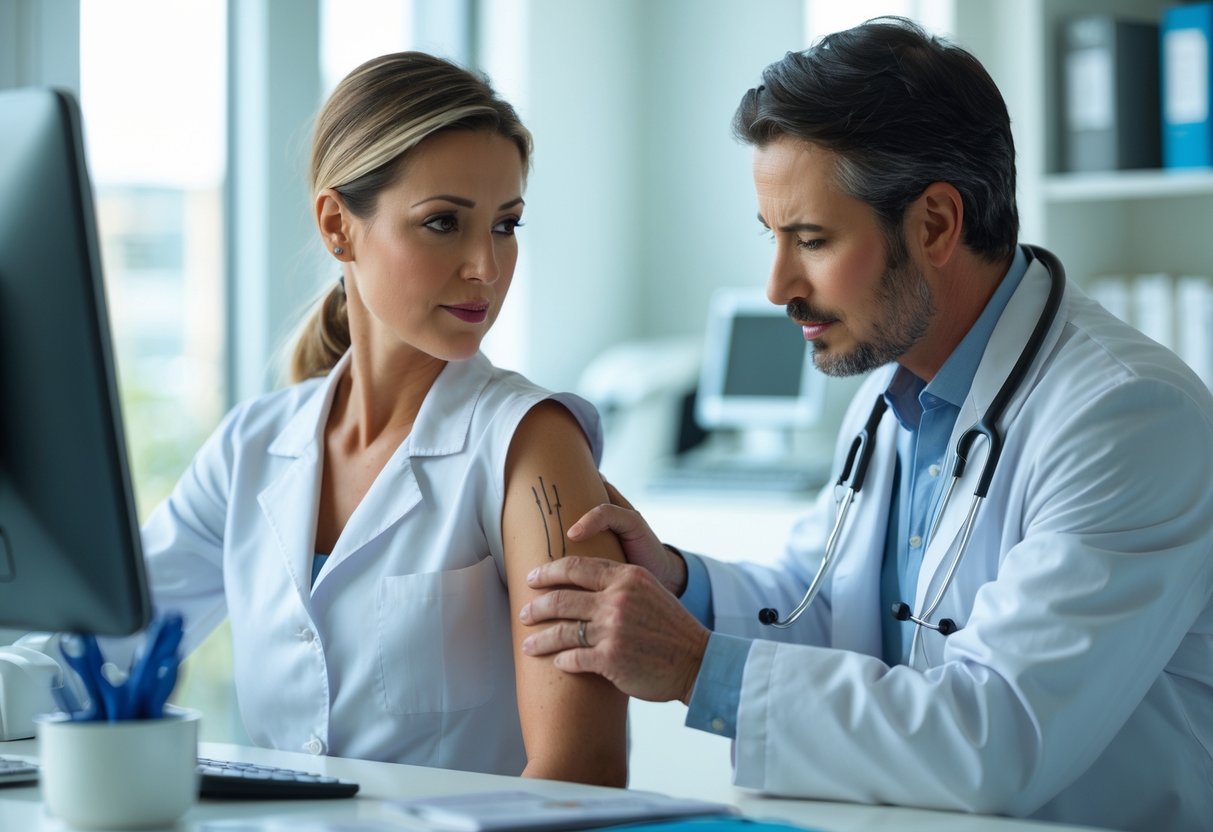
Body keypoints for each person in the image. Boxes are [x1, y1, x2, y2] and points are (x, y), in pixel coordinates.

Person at [517, 17, 1213, 830]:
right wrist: (678, 583)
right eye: (771, 237)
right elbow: (820, 602)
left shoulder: (1123, 419)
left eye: (809, 239)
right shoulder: (893, 390)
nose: (777, 286)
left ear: (935, 224)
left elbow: (994, 738)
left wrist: (698, 667)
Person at [134, 52, 628, 784]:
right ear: (339, 225)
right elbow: (104, 636)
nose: (485, 268)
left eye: (505, 225)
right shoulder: (252, 446)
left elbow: (578, 771)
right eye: (442, 223)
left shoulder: (531, 446)